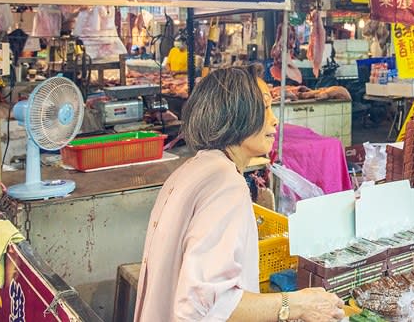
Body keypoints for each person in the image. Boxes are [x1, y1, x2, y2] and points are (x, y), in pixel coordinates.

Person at [134, 65, 344, 322]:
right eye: (265, 107)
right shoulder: (225, 184)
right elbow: (206, 305)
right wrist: (296, 304)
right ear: (236, 113)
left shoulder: (194, 169)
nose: (275, 119)